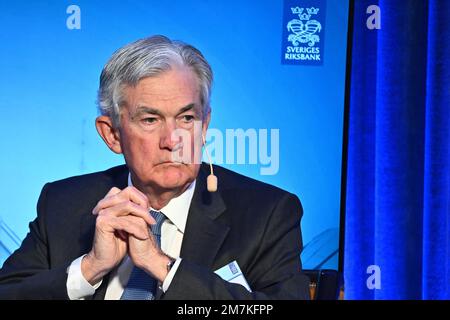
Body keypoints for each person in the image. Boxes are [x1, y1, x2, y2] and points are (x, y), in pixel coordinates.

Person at [0, 35, 310, 300]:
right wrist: (89, 268)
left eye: (187, 118)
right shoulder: (63, 203)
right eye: (150, 120)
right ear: (112, 134)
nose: (173, 140)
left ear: (205, 126)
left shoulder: (267, 213)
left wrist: (163, 266)